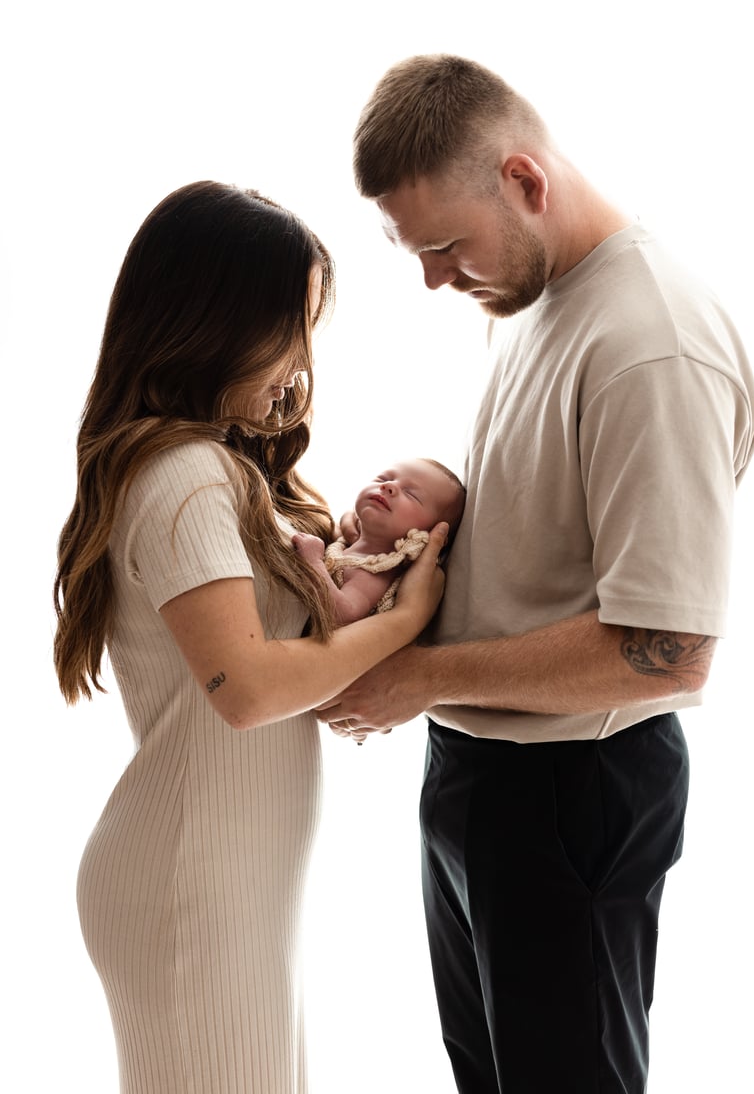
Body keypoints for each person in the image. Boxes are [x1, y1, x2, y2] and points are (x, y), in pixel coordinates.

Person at [316, 56, 754, 1094]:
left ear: (523, 179)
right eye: (407, 249)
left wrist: (420, 678)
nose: (430, 278)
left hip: (569, 796)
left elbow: (665, 654)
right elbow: (549, 534)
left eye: (440, 246)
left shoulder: (649, 343)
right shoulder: (530, 302)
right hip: (480, 773)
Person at [52, 180, 448, 1094]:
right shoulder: (189, 475)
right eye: (292, 324)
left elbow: (278, 671)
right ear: (217, 319)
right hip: (196, 882)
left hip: (217, 879)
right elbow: (251, 691)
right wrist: (409, 627)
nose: (301, 358)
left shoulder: (217, 467)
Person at [293, 457, 466, 625]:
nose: (389, 485)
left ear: (430, 533)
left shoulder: (375, 573)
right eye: (383, 478)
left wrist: (313, 562)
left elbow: (342, 614)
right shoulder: (347, 543)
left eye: (411, 495)